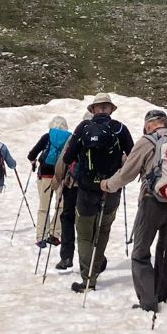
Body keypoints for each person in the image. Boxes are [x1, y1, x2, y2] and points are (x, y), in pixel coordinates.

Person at [101, 109, 167, 313]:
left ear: (148, 125)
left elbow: (126, 174)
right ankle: (161, 294)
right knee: (165, 251)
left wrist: (107, 185)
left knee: (141, 252)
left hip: (152, 202)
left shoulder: (146, 141)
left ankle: (148, 301)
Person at [58, 94, 133, 293]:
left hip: (86, 189)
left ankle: (88, 279)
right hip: (111, 189)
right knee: (103, 230)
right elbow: (132, 156)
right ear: (110, 109)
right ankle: (96, 269)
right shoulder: (120, 128)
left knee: (84, 235)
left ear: (93, 110)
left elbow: (68, 157)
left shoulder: (83, 128)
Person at [51, 112, 92, 272]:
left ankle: (66, 257)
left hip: (73, 185)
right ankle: (91, 259)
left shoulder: (77, 136)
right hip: (95, 187)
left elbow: (64, 160)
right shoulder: (107, 136)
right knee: (90, 221)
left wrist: (57, 180)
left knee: (67, 218)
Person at [28, 116, 71, 247]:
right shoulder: (70, 138)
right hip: (61, 176)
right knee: (61, 206)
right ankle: (54, 234)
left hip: (45, 174)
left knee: (43, 207)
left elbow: (31, 155)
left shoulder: (47, 137)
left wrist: (34, 161)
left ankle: (41, 236)